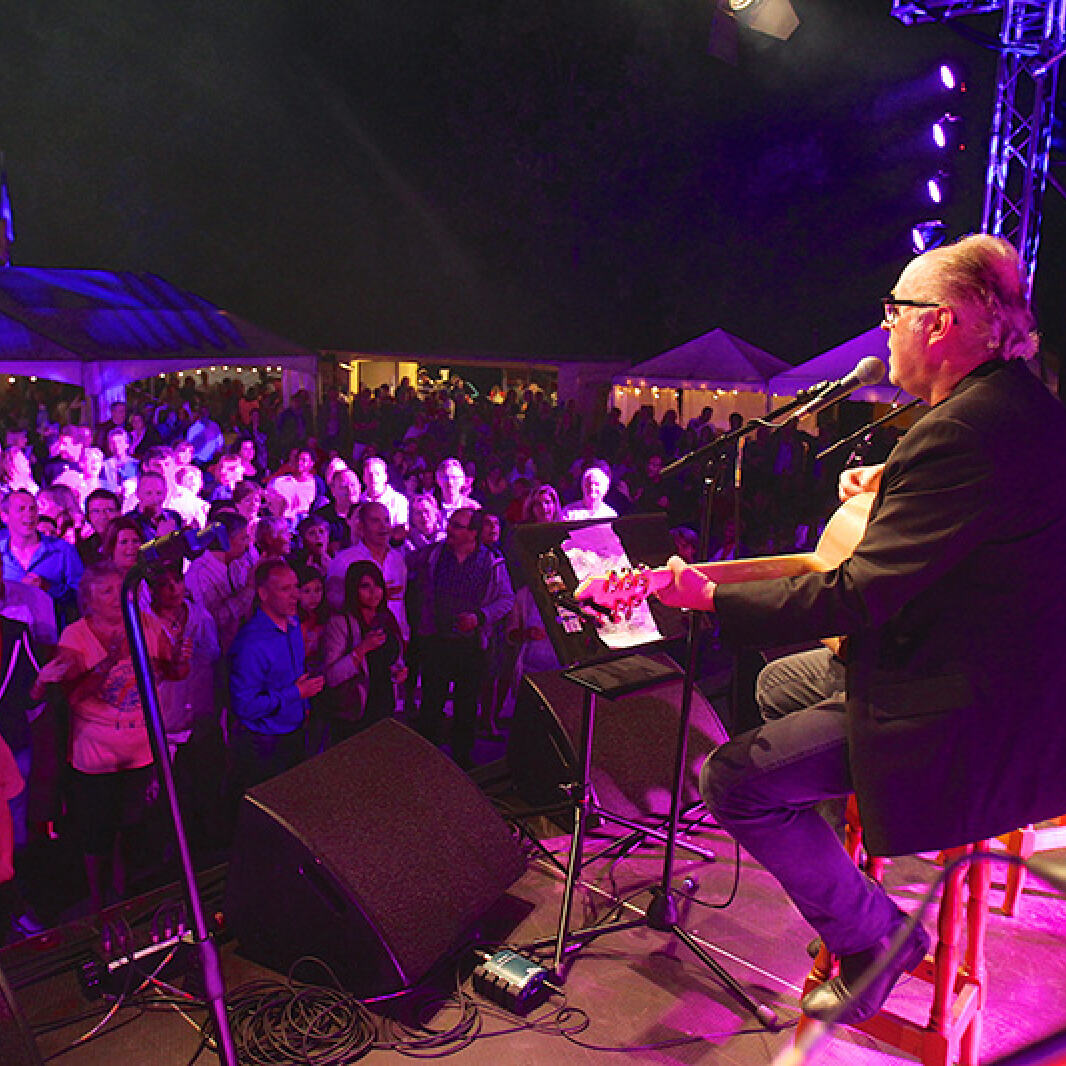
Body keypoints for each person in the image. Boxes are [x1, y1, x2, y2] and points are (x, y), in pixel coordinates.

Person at [651, 235, 1066, 1025]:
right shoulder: (1018, 404)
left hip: (972, 710)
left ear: (939, 322)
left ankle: (876, 936)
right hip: (1018, 681)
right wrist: (893, 482)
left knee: (732, 780)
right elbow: (989, 509)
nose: (885, 327)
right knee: (783, 682)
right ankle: (845, 867)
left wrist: (710, 599)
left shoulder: (960, 432)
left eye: (894, 311)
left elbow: (857, 595)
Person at [414, 507, 514, 768]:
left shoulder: (491, 561)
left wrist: (480, 617)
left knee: (466, 706)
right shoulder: (435, 555)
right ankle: (426, 760)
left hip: (471, 645)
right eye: (450, 524)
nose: (450, 530)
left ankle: (462, 761)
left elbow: (506, 599)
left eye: (457, 526)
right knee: (431, 703)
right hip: (437, 641)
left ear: (473, 533)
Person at [228, 559, 325, 790]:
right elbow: (245, 706)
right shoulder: (252, 643)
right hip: (265, 743)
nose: (295, 596)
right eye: (285, 589)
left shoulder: (293, 624)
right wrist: (296, 693)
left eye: (296, 587)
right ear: (263, 594)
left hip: (295, 732)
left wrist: (304, 704)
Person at [323, 560, 406, 742]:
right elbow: (331, 676)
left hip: (385, 705)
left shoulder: (386, 618)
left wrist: (398, 671)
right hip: (356, 710)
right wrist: (361, 650)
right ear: (353, 589)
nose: (373, 592)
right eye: (365, 586)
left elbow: (393, 658)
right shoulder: (340, 623)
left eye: (378, 585)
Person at [0, 490, 84, 624]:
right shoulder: (1, 552)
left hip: (54, 633)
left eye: (33, 509)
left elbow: (83, 597)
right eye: (21, 509)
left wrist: (49, 587)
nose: (29, 514)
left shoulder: (63, 551)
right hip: (10, 634)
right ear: (5, 516)